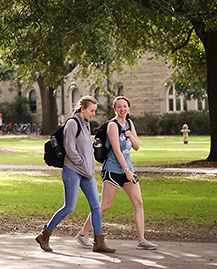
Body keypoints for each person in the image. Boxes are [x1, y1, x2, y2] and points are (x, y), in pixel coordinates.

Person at [36, 96, 115, 253]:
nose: (93, 114)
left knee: (96, 207)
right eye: (91, 110)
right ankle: (44, 236)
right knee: (69, 207)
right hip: (72, 171)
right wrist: (81, 163)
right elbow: (70, 148)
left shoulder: (86, 125)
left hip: (87, 173)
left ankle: (98, 242)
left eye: (95, 111)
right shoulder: (72, 123)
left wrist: (89, 165)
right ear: (82, 109)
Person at [77, 96, 157, 250]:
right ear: (115, 109)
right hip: (113, 170)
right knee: (105, 205)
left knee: (138, 203)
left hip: (128, 169)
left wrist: (130, 135)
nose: (122, 109)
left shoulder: (129, 123)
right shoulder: (112, 126)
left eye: (125, 106)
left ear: (128, 108)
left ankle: (141, 240)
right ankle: (82, 234)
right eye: (119, 107)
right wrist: (126, 171)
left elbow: (137, 146)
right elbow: (117, 150)